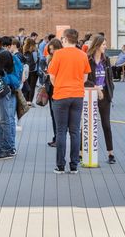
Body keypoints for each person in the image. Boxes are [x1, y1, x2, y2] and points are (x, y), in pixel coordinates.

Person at [47, 28, 91, 174]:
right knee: (74, 131)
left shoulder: (58, 54)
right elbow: (85, 77)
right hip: (77, 95)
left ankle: (60, 165)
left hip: (61, 95)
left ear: (65, 39)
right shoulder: (83, 55)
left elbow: (52, 76)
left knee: (61, 131)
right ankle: (74, 166)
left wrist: (59, 85)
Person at [85, 35, 116, 164]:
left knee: (106, 124)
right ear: (97, 45)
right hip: (91, 94)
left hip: (105, 95)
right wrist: (95, 88)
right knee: (87, 124)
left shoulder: (106, 60)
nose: (105, 46)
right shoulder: (88, 59)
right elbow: (85, 80)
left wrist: (109, 92)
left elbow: (110, 79)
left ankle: (111, 154)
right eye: (103, 44)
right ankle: (82, 153)